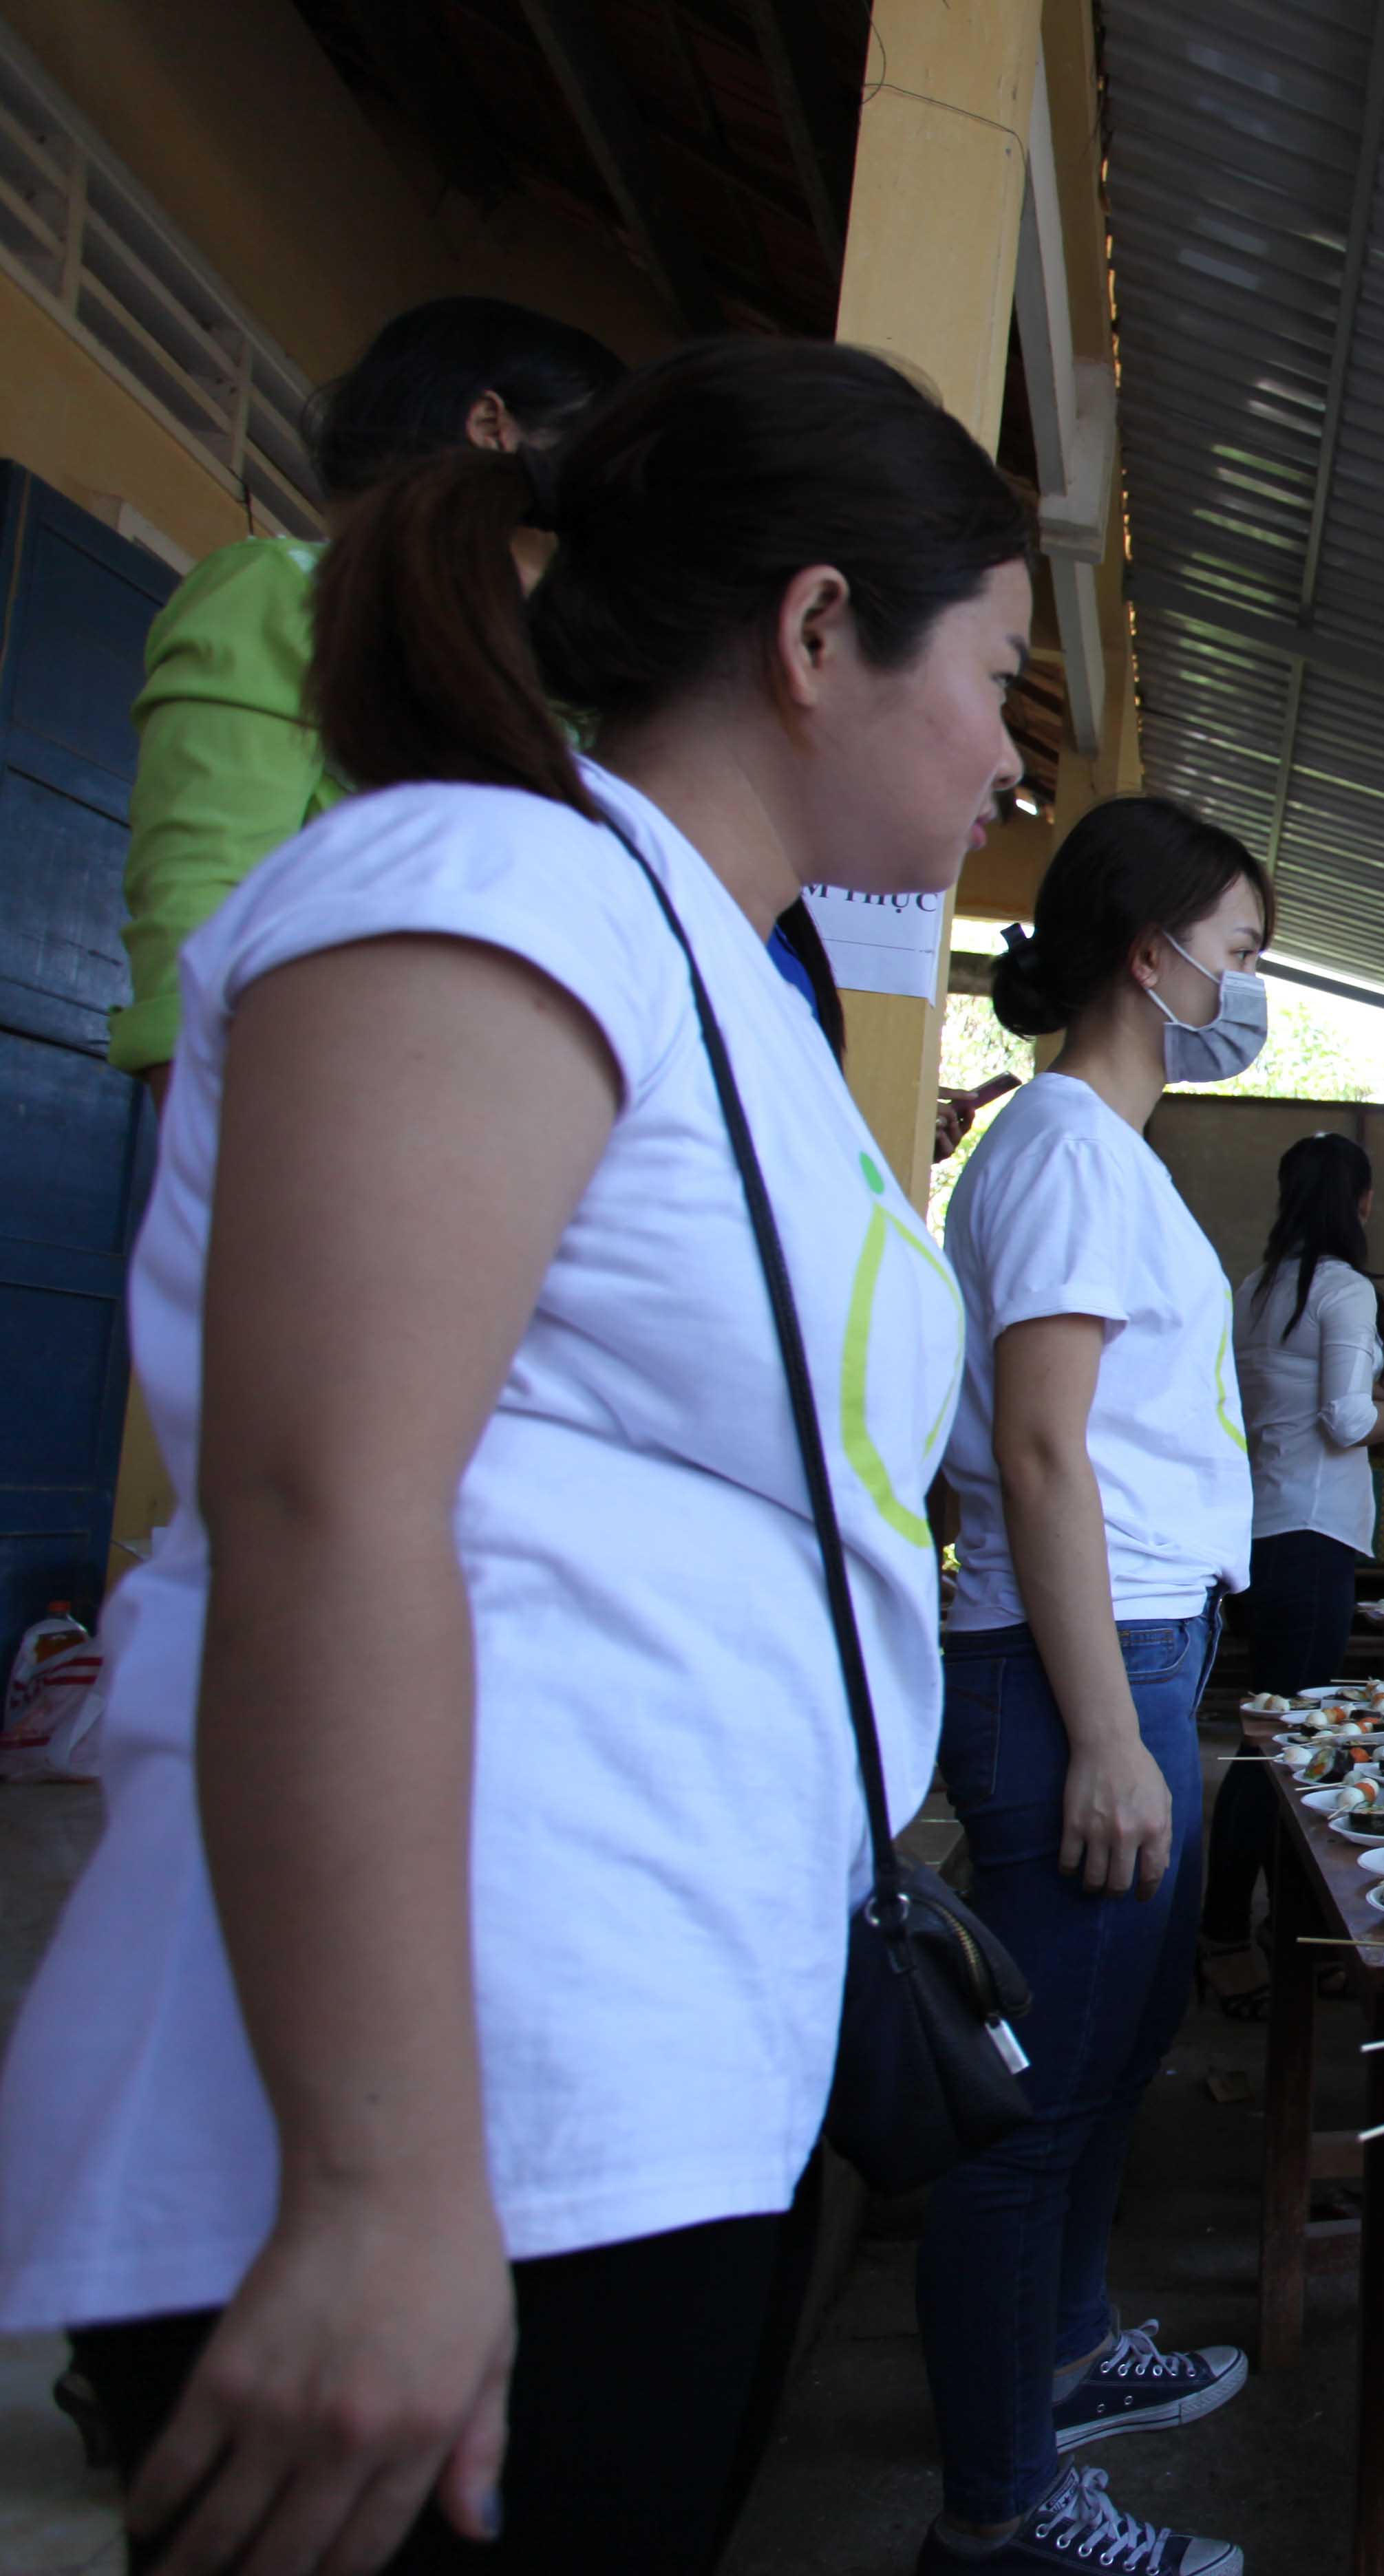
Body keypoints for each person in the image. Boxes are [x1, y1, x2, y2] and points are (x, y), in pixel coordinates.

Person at [0, 338, 1029, 2573]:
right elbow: (322, 1502)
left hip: (649, 2075)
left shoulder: (726, 980)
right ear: (819, 632)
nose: (1007, 753)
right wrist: (379, 2187)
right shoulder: (489, 879)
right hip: (463, 2105)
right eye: (994, 674)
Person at [926, 794, 1272, 2576]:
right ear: (1153, 955)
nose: (1250, 987)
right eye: (1241, 951)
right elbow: (1041, 1449)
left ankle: (1063, 2361)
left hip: (1140, 1642)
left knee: (1117, 2054)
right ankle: (998, 2508)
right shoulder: (1063, 1143)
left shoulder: (1105, 1151)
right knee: (1029, 2101)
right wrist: (1104, 1738)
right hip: (1077, 1658)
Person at [114, 297, 626, 1089]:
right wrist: (220, 1140)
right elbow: (201, 898)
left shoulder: (555, 676)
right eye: (599, 452)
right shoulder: (287, 594)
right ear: (493, 427)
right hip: (326, 1098)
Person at [1199, 1132, 1384, 2003]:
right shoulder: (1342, 1288)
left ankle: (1275, 1925)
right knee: (1280, 1743)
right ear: (1361, 1203)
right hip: (1313, 1534)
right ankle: (1229, 1932)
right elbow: (1346, 1426)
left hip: (1260, 1529)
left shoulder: (1255, 1288)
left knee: (1274, 1730)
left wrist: (1381, 1394)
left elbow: (1293, 1405)